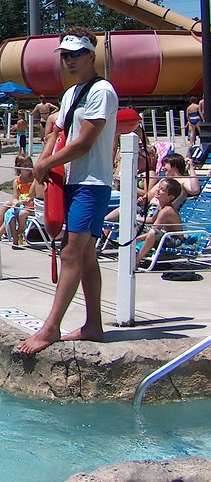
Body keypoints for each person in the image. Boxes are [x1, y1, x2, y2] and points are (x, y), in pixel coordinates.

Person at [17, 29, 118, 355]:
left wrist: (46, 165)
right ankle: (93, 325)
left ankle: (51, 328)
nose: (69, 59)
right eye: (64, 54)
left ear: (91, 55)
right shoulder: (71, 93)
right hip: (72, 182)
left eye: (75, 53)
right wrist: (44, 163)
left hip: (92, 183)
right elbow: (57, 132)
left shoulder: (102, 91)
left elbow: (84, 142)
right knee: (85, 256)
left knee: (72, 253)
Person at [134, 178, 184, 269]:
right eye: (159, 187)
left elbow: (154, 230)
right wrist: (134, 219)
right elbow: (152, 220)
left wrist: (135, 239)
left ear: (171, 197)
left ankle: (137, 259)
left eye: (162, 189)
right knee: (137, 225)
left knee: (153, 233)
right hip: (165, 235)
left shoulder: (167, 210)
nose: (157, 190)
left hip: (175, 240)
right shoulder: (161, 205)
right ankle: (132, 252)